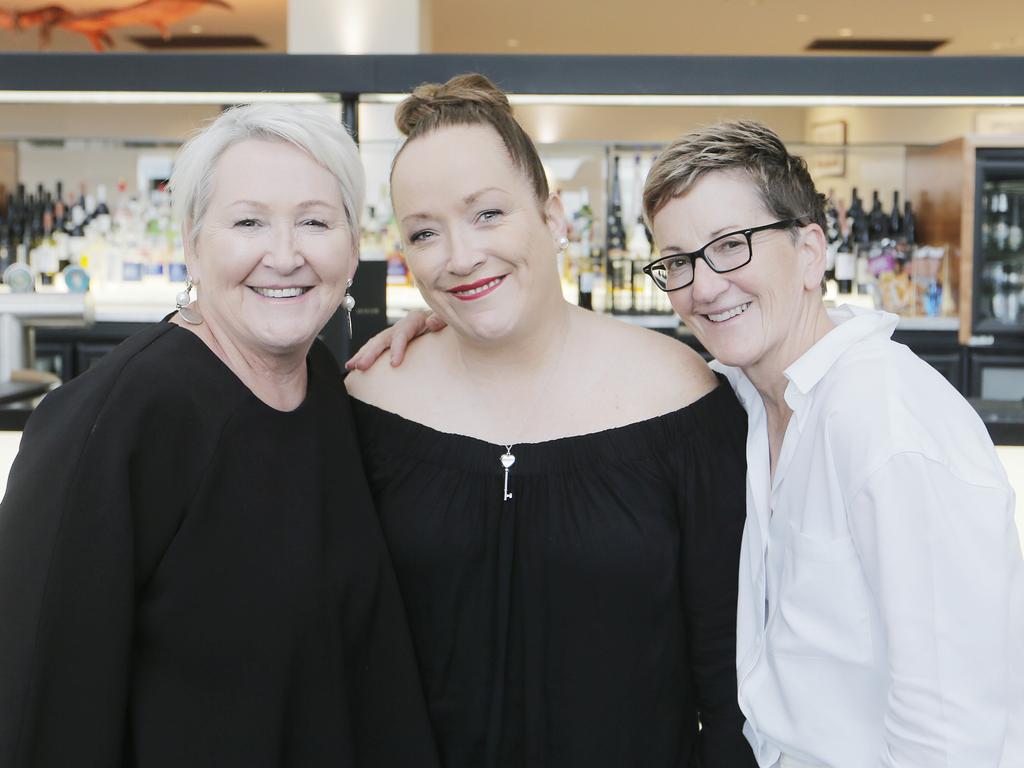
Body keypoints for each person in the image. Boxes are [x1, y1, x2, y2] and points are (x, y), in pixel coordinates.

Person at [0, 104, 438, 768]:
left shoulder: (329, 388)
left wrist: (449, 343)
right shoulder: (118, 419)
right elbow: (40, 702)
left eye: (316, 221)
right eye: (248, 221)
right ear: (191, 241)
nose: (285, 254)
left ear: (354, 248)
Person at [344, 74, 755, 767]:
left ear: (555, 217)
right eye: (424, 232)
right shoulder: (368, 402)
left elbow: (725, 675)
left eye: (488, 215)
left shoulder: (685, 397)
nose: (460, 256)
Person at [641, 120, 1024, 767]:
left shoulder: (888, 423)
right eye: (678, 262)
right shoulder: (745, 398)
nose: (703, 288)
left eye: (731, 245)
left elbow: (954, 734)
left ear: (812, 252)